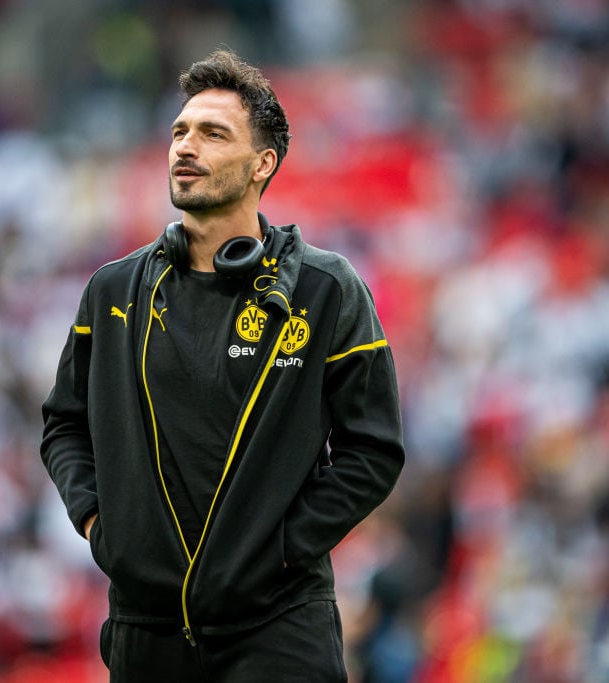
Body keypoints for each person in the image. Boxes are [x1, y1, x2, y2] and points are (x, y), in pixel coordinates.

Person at [40, 49, 404, 682]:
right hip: (145, 632)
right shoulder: (112, 291)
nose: (186, 146)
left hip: (279, 628)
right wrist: (103, 528)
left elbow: (372, 448)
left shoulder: (325, 289)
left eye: (213, 133)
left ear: (263, 163)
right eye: (180, 131)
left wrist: (283, 549)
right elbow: (64, 426)